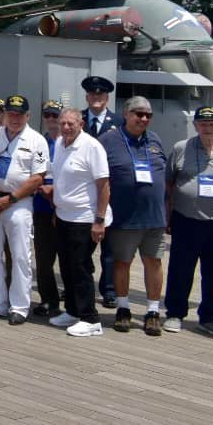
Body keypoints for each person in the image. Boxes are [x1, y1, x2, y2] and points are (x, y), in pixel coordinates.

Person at [163, 104, 213, 335]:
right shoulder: (181, 148)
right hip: (186, 218)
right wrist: (167, 215)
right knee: (180, 268)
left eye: (212, 124)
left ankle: (209, 316)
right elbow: (169, 183)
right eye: (203, 124)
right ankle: (175, 313)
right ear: (195, 125)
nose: (207, 128)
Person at [0, 94, 48, 324]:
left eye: (20, 114)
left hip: (19, 203)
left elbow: (38, 178)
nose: (15, 118)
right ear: (5, 114)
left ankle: (19, 306)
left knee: (20, 256)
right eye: (11, 114)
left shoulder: (37, 140)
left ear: (28, 116)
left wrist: (11, 199)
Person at [101, 95, 169, 336]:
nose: (143, 118)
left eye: (148, 115)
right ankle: (123, 308)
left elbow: (166, 178)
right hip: (124, 218)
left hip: (154, 218)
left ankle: (152, 311)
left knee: (154, 262)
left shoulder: (155, 140)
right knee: (122, 263)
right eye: (138, 113)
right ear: (126, 114)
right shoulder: (109, 140)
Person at [49, 107, 110, 336]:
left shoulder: (92, 147)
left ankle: (90, 318)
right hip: (64, 216)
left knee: (80, 266)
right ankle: (73, 311)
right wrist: (57, 208)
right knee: (65, 265)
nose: (65, 127)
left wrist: (99, 220)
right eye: (62, 123)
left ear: (81, 124)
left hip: (85, 218)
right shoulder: (59, 144)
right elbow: (62, 179)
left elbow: (104, 186)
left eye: (70, 124)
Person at [82, 73, 120, 304]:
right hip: (84, 190)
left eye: (101, 94)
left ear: (107, 98)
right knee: (81, 245)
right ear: (87, 96)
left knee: (110, 246)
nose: (96, 97)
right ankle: (81, 284)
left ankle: (109, 289)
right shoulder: (77, 120)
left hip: (110, 189)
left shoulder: (119, 122)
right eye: (93, 93)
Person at [32, 100, 64, 319]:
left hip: (65, 208)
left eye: (55, 115)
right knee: (44, 258)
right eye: (48, 115)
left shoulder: (69, 142)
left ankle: (70, 299)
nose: (52, 120)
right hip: (42, 206)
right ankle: (48, 299)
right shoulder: (39, 143)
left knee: (69, 257)